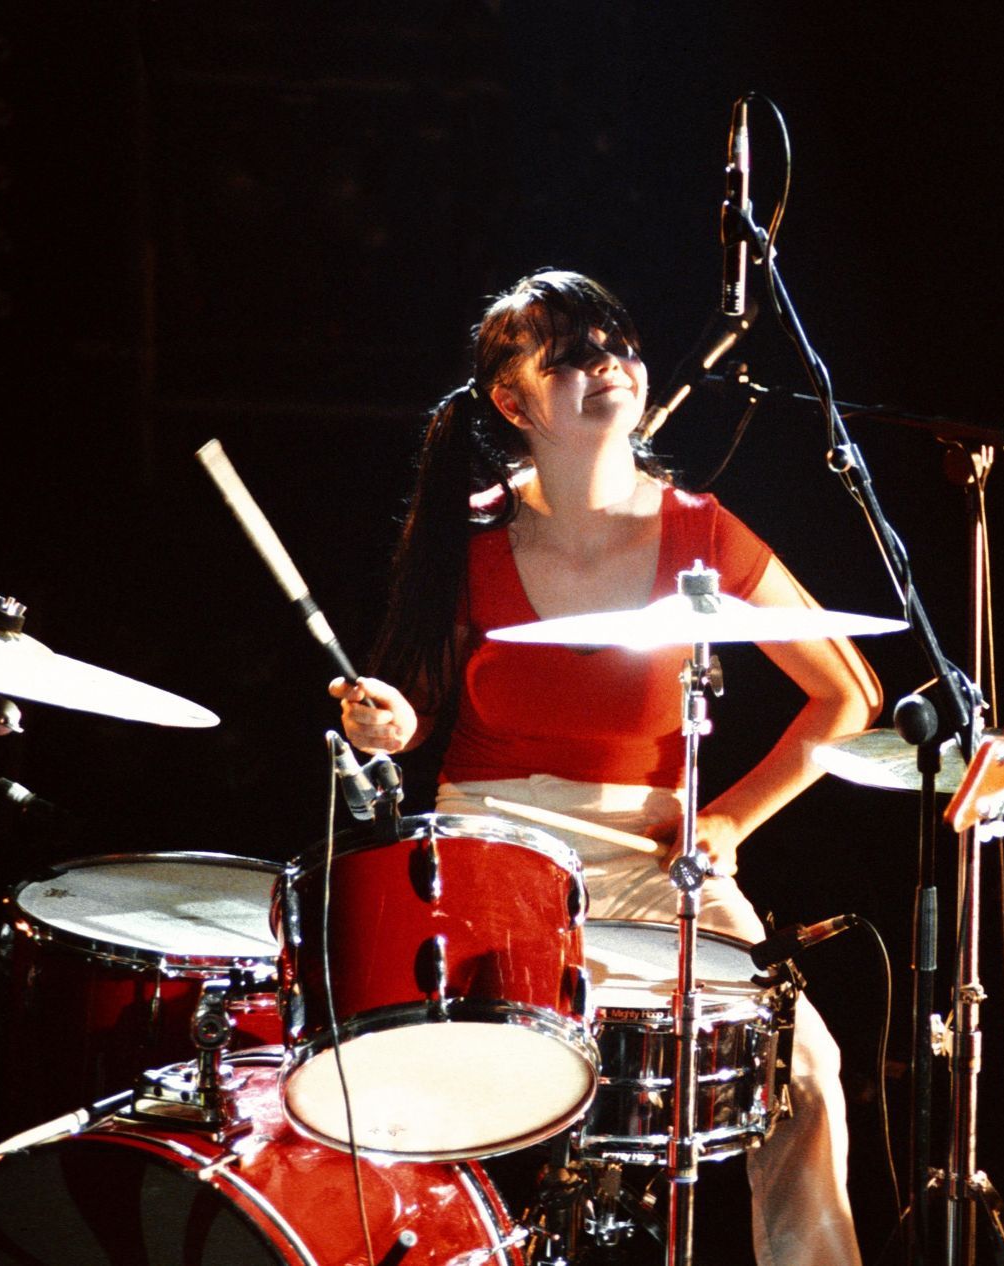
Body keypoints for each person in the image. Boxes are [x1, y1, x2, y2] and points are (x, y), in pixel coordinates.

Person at [333, 269, 881, 1264]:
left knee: (802, 1064)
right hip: (491, 849)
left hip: (650, 853)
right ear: (513, 400)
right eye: (573, 355)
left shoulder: (700, 531)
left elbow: (851, 696)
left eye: (619, 346)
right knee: (433, 1070)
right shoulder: (469, 533)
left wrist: (726, 822)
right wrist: (386, 725)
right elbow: (409, 713)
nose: (611, 366)